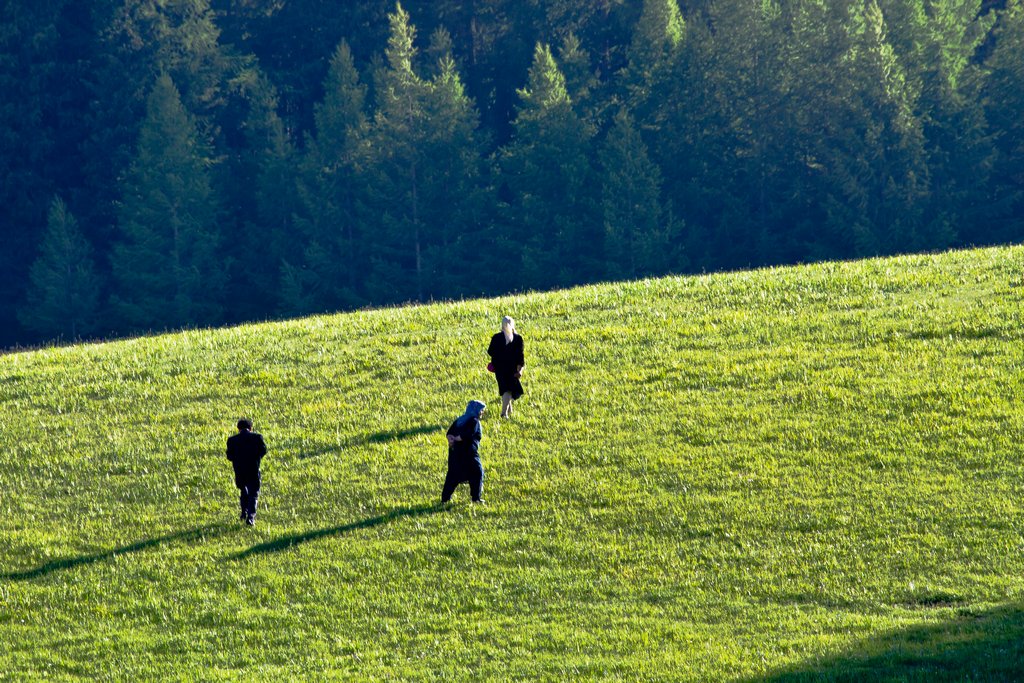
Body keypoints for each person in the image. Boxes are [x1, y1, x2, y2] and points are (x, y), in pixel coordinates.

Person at [441, 400, 486, 504]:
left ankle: (445, 499)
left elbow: (449, 433)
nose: (482, 412)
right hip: (469, 454)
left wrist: (451, 439)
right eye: (481, 410)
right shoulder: (474, 421)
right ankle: (476, 498)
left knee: (453, 475)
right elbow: (467, 435)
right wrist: (457, 438)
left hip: (455, 453)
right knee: (477, 473)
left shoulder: (460, 420)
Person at [226, 418, 267, 526]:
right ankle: (251, 517)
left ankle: (243, 513)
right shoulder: (257, 437)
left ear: (238, 428)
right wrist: (256, 459)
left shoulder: (232, 440)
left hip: (239, 471)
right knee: (253, 493)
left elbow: (229, 456)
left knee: (244, 491)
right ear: (250, 428)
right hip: (253, 469)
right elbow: (263, 451)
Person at [487, 316, 525, 418]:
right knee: (509, 390)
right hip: (512, 369)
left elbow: (490, 352)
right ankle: (504, 414)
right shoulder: (518, 339)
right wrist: (520, 369)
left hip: (499, 369)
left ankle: (508, 411)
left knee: (505, 390)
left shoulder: (496, 337)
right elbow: (520, 357)